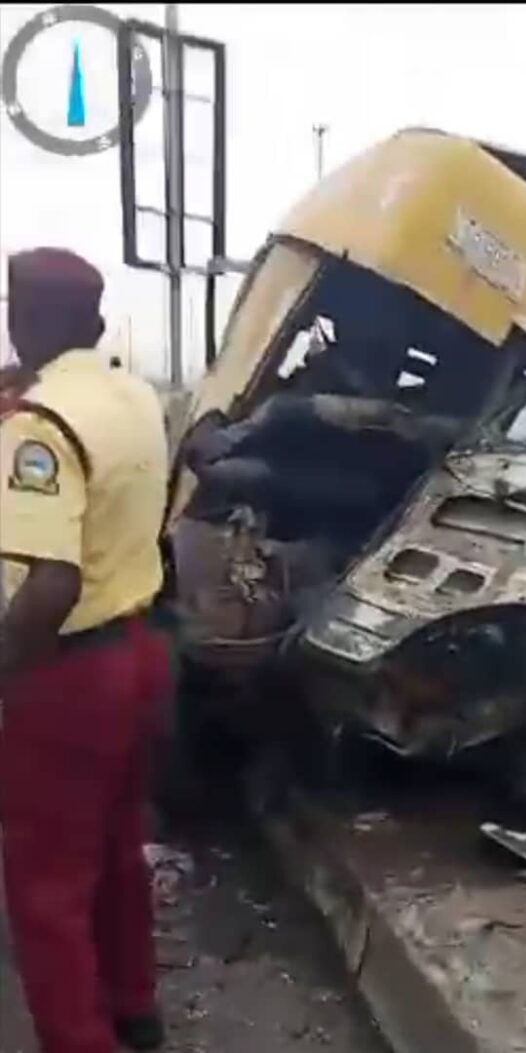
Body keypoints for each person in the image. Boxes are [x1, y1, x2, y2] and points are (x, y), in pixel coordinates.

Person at [0, 248, 170, 1053]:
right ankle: (134, 1010)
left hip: (66, 671)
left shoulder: (40, 427)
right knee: (114, 850)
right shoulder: (131, 395)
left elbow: (50, 584)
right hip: (140, 651)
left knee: (45, 889)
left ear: (24, 319)